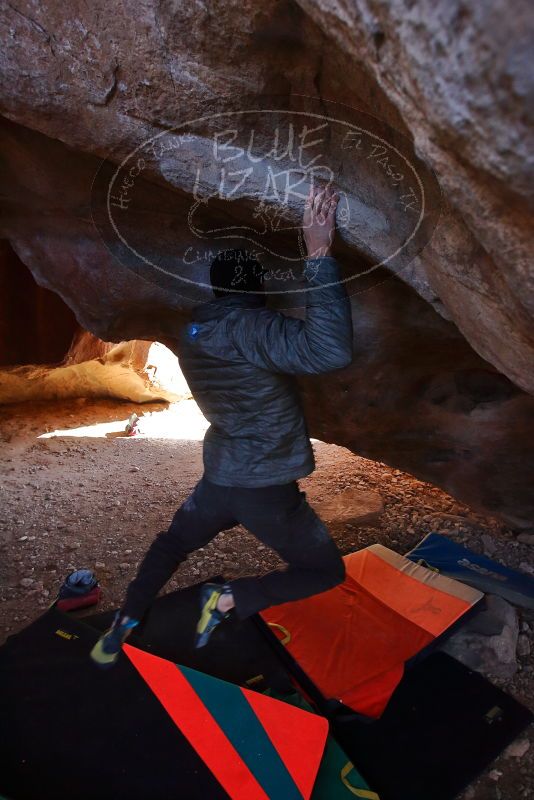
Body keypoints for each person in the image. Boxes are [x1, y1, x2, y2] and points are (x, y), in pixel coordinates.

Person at [91, 184, 353, 667]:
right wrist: (318, 251)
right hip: (265, 487)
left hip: (221, 478)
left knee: (173, 544)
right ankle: (229, 599)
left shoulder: (195, 334)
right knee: (323, 570)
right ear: (256, 291)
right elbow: (330, 350)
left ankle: (125, 619)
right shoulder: (250, 328)